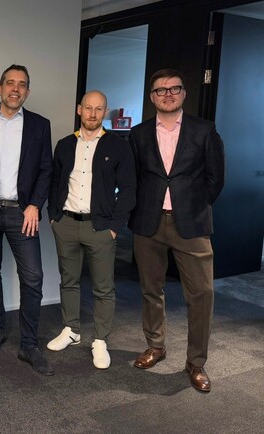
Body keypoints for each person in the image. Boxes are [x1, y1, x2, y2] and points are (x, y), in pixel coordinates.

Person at [129, 69, 224, 393]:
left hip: (191, 224)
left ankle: (196, 362)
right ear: (152, 97)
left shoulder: (204, 130)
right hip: (149, 222)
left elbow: (216, 178)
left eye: (174, 89)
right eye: (161, 90)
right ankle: (155, 346)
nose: (167, 94)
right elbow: (134, 178)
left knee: (202, 294)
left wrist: (193, 205)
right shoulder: (139, 134)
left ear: (183, 93)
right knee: (150, 289)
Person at [46, 90, 136, 369]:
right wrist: (54, 217)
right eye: (88, 108)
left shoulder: (118, 146)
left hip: (100, 228)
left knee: (103, 287)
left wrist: (114, 227)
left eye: (98, 109)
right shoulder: (64, 144)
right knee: (68, 280)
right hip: (66, 223)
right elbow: (54, 182)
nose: (92, 114)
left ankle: (100, 340)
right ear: (79, 109)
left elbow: (129, 189)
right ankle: (71, 329)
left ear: (105, 112)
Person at [0, 64, 54, 375]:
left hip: (23, 213)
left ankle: (29, 344)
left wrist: (35, 204)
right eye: (10, 83)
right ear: (0, 88)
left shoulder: (40, 125)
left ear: (27, 91)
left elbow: (46, 169)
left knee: (33, 277)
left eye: (21, 84)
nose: (15, 89)